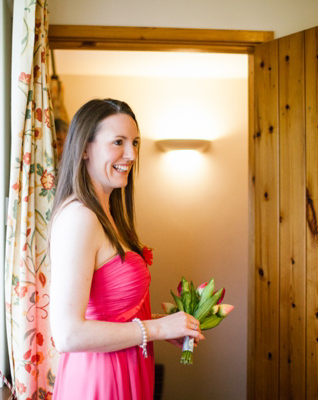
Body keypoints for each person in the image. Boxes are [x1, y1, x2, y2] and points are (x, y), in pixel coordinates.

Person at [49, 99, 205, 400]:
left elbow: (113, 314)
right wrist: (155, 331)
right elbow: (68, 334)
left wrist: (169, 326)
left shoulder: (108, 214)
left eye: (134, 142)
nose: (132, 155)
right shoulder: (79, 217)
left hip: (127, 367)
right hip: (100, 379)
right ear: (84, 149)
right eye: (118, 142)